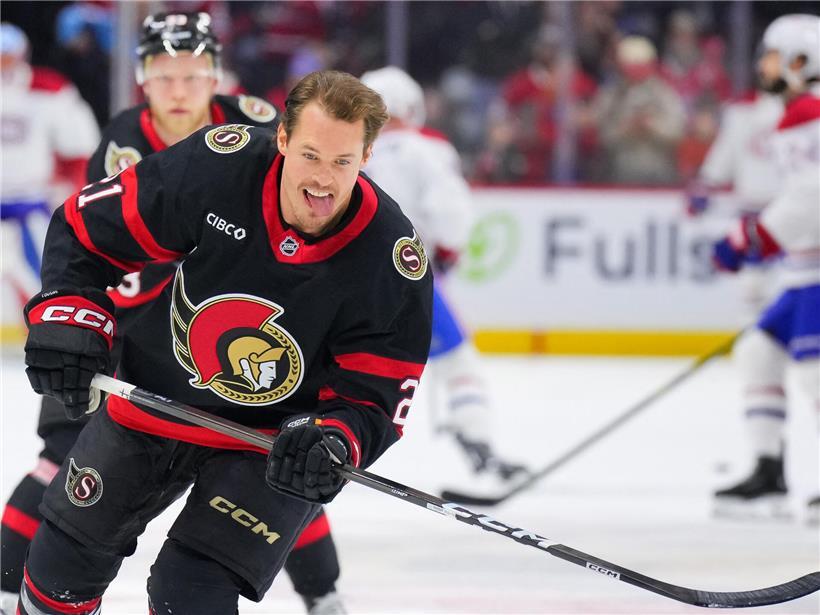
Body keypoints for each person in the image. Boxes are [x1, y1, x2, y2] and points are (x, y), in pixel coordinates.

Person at [17, 67, 432, 614]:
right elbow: (90, 228)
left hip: (265, 442)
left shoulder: (391, 259)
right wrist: (71, 313)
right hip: (153, 402)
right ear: (282, 138)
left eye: (342, 161)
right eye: (309, 155)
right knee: (57, 573)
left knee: (188, 592)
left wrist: (335, 439)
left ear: (367, 156)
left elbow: (373, 396)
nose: (323, 180)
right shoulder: (219, 167)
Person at [360, 66, 529, 496]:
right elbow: (451, 215)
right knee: (459, 364)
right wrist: (449, 252)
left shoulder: (352, 151)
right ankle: (481, 449)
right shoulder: (427, 149)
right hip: (409, 280)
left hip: (353, 282)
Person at [711, 14, 820, 524]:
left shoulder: (811, 114)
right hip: (803, 274)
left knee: (817, 375)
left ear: (801, 61)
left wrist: (754, 235)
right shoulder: (799, 112)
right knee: (759, 351)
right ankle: (769, 469)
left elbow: (813, 195)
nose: (763, 66)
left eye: (773, 56)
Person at [0, 22, 99, 342]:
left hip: (31, 206)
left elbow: (80, 146)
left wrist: (73, 187)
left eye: (7, 57)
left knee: (47, 283)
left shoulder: (49, 90)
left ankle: (50, 337)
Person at [685, 73, 783, 320]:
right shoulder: (742, 112)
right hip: (756, 211)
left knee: (787, 282)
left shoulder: (806, 109)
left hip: (790, 210)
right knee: (753, 286)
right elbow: (726, 153)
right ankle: (758, 341)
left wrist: (706, 184)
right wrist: (706, 183)